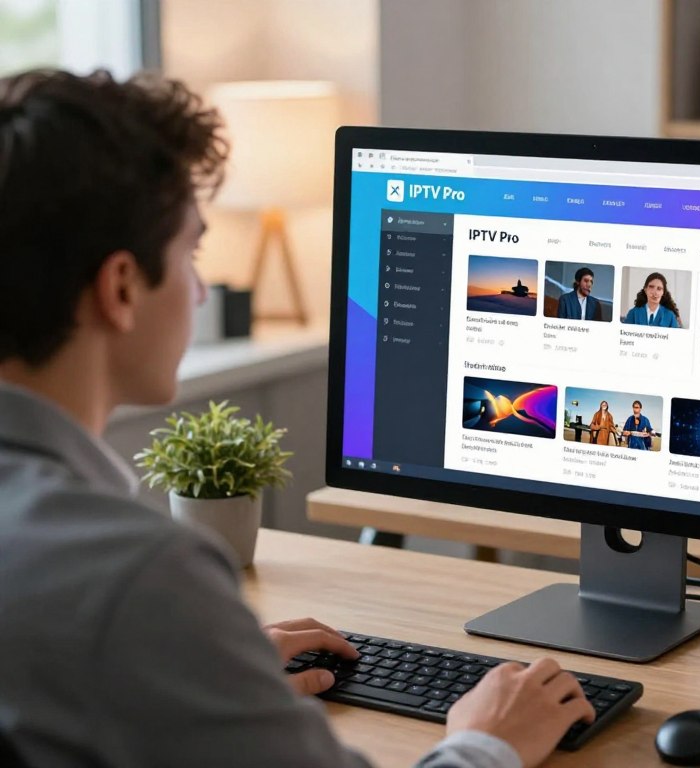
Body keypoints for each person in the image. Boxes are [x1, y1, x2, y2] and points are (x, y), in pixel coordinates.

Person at [0, 69, 593, 768]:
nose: (196, 291)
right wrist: (488, 741)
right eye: (190, 254)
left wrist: (207, 666)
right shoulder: (138, 578)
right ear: (121, 287)